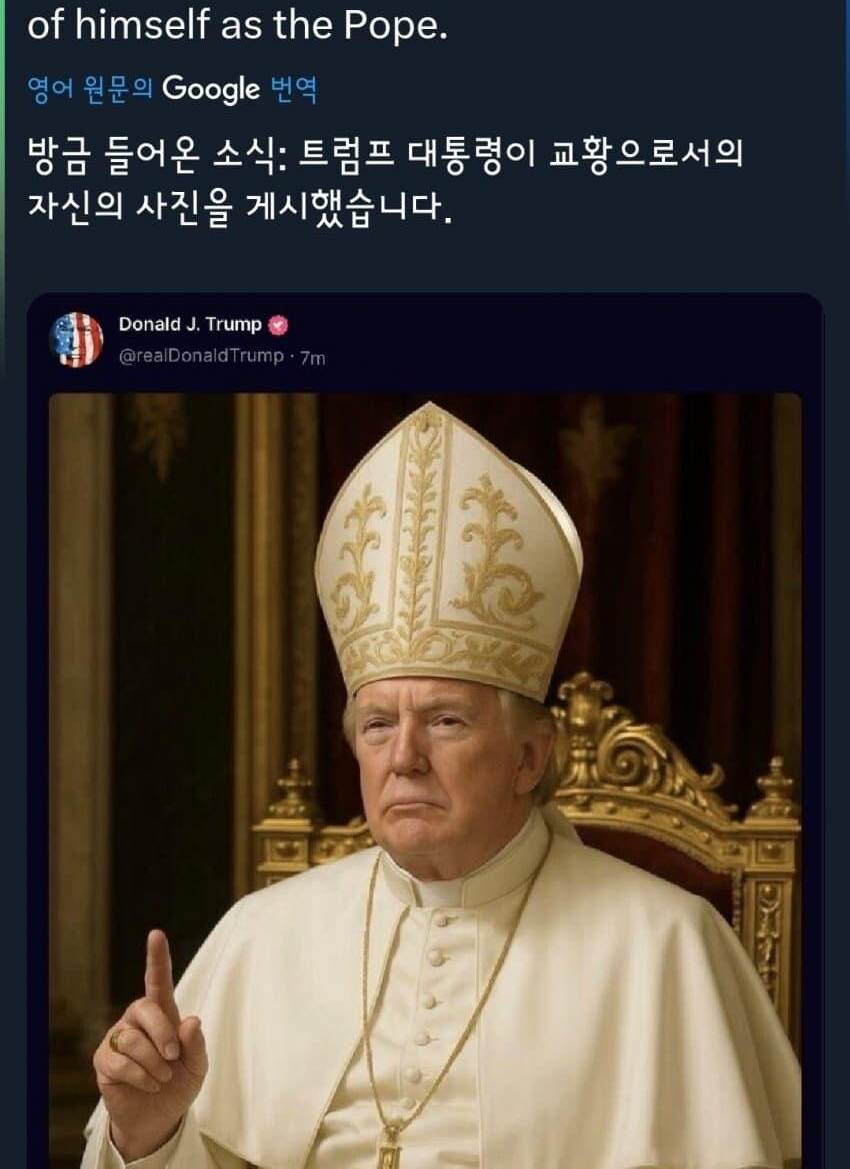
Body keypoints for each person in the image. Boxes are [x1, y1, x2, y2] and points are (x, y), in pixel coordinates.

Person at [84, 402, 801, 1168]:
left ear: (530, 758)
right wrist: (150, 1135)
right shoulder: (262, 935)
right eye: (377, 725)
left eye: (446, 720)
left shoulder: (665, 944)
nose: (405, 757)